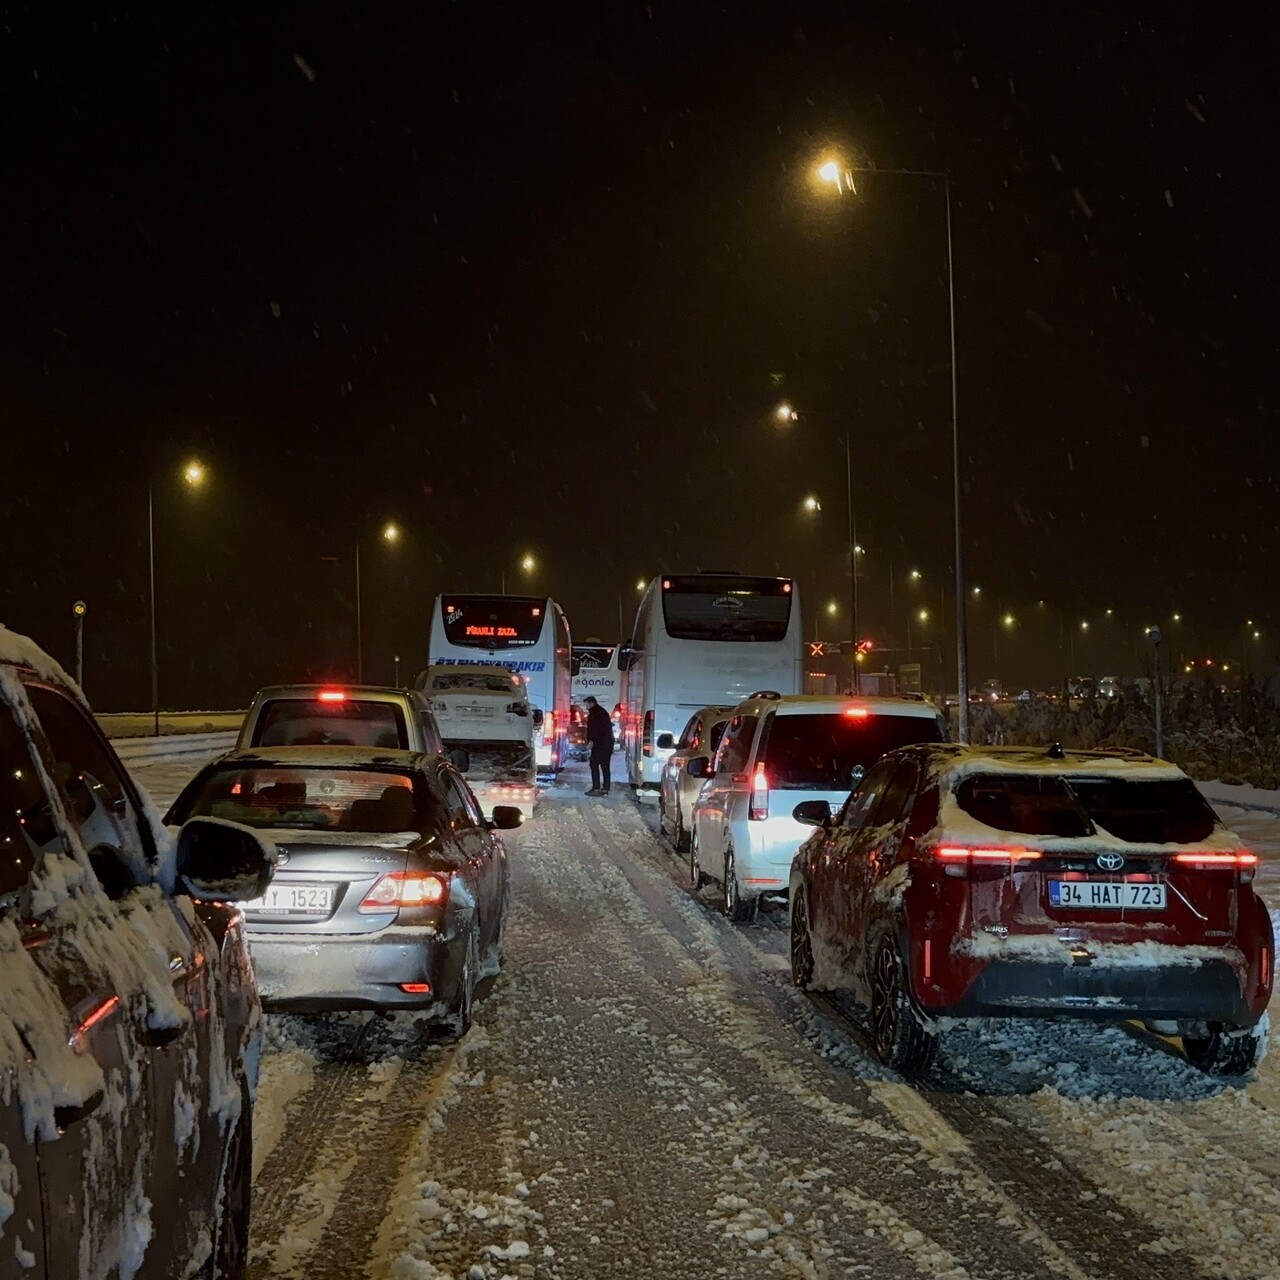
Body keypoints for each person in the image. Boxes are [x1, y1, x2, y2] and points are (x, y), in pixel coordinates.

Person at [583, 695, 613, 796]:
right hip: (607, 743)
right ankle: (605, 789)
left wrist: (591, 741)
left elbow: (594, 729)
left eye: (586, 704)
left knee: (593, 764)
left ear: (591, 703)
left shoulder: (595, 714)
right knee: (605, 766)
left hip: (600, 743)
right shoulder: (602, 712)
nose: (586, 706)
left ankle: (596, 788)